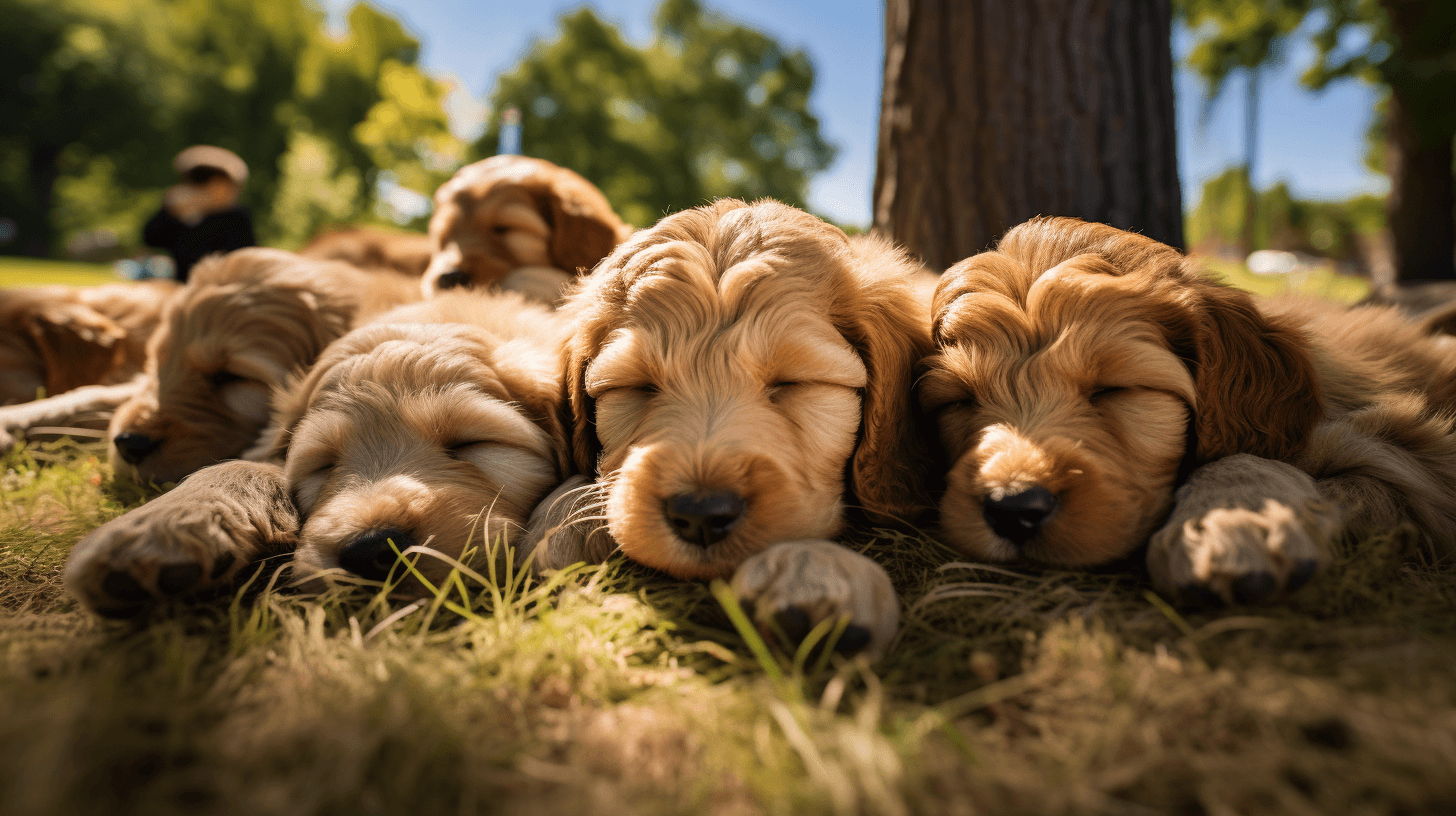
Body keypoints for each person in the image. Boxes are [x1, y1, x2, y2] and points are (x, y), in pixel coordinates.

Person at [142, 146, 256, 283]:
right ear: (218, 185)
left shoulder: (236, 217)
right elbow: (151, 239)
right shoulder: (179, 214)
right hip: (185, 288)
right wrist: (170, 212)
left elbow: (245, 254)